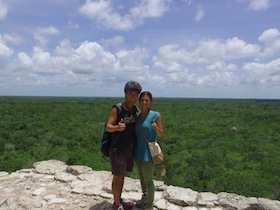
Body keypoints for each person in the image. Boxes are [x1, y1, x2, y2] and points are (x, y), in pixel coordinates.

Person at [106, 81, 142, 210]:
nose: (132, 97)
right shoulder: (118, 109)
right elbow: (108, 127)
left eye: (135, 95)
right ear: (125, 94)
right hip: (118, 149)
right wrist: (117, 127)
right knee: (118, 176)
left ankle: (118, 200)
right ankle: (116, 205)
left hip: (129, 148)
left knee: (122, 176)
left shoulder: (134, 109)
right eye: (130, 94)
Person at [135, 91, 164, 210]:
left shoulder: (155, 115)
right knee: (141, 177)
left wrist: (156, 128)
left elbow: (161, 134)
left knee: (148, 179)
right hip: (138, 150)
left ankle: (149, 205)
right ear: (139, 101)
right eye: (142, 100)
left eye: (147, 100)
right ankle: (145, 197)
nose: (144, 102)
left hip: (148, 151)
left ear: (150, 101)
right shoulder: (138, 116)